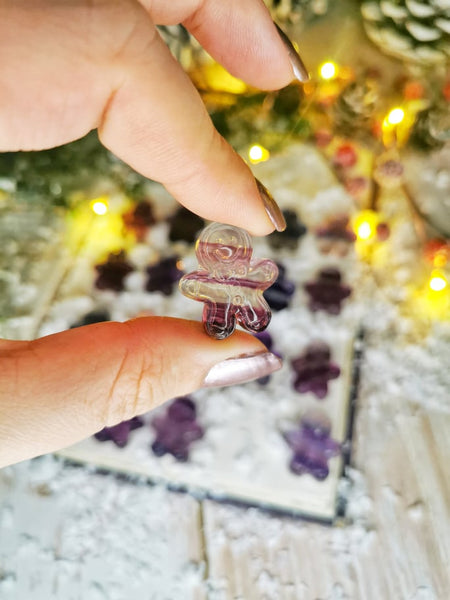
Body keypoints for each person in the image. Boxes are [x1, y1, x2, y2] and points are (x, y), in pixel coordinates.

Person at [0, 0, 308, 467]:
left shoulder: (250, 273)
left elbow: (257, 273)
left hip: (235, 303)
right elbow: (212, 280)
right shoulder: (213, 277)